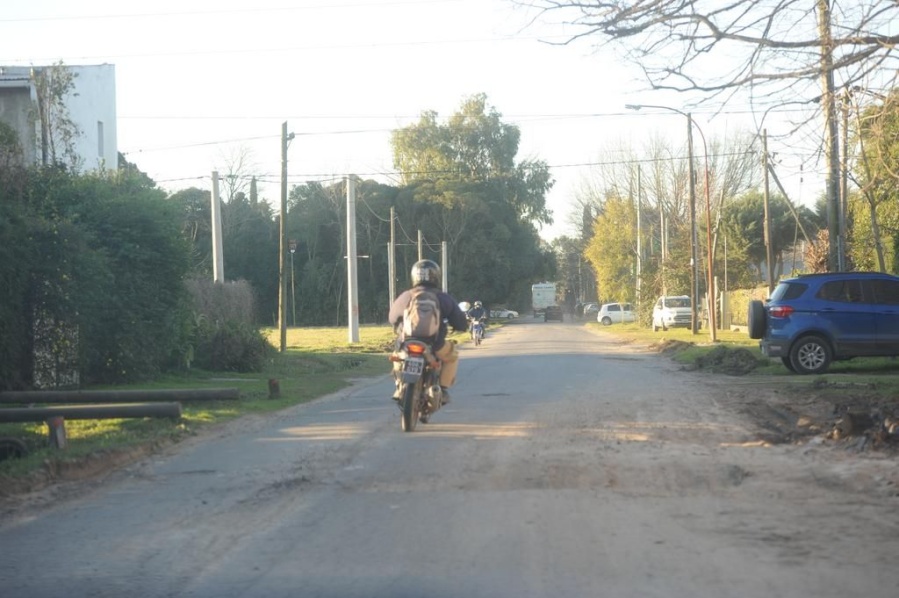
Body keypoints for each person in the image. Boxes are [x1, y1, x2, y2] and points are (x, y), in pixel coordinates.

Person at [388, 259, 468, 404]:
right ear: (436, 276)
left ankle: (400, 387)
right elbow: (460, 322)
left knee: (398, 358)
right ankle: (442, 389)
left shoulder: (407, 295)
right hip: (435, 344)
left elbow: (392, 318)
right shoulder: (443, 298)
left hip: (407, 342)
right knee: (452, 356)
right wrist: (460, 326)